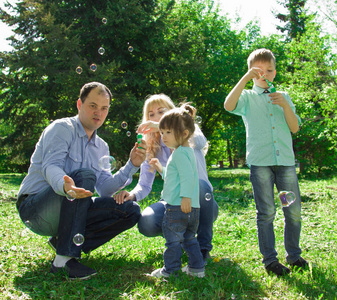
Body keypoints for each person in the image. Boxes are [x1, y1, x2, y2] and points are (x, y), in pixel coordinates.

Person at [16, 82, 147, 280]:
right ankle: (63, 261)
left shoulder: (102, 147)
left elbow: (104, 188)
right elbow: (50, 166)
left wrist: (132, 164)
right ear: (79, 104)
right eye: (92, 106)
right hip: (35, 208)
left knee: (130, 210)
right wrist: (64, 185)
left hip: (71, 212)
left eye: (104, 108)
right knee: (84, 175)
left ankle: (64, 242)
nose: (98, 113)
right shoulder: (61, 128)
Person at [224, 48, 308, 276]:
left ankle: (294, 255)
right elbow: (228, 105)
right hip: (260, 163)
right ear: (252, 73)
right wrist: (245, 78)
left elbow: (295, 127)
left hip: (285, 162)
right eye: (258, 71)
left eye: (269, 70)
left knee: (293, 212)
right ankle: (270, 260)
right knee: (267, 212)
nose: (265, 75)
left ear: (275, 72)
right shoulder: (247, 98)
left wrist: (285, 106)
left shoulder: (284, 97)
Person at [113, 94, 218, 261]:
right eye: (151, 115)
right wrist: (131, 195)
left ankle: (203, 249)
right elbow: (144, 185)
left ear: (173, 112)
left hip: (200, 202)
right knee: (147, 222)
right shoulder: (151, 147)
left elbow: (201, 141)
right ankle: (182, 241)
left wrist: (164, 126)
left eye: (161, 112)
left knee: (199, 186)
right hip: (173, 203)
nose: (156, 118)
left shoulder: (189, 134)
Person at [147, 104, 205, 278]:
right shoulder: (186, 152)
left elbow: (187, 178)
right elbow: (176, 178)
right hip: (192, 207)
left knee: (172, 240)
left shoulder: (179, 154)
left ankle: (170, 270)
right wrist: (160, 168)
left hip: (178, 206)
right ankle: (197, 269)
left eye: (168, 132)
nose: (163, 137)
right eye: (162, 132)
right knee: (189, 239)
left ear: (185, 134)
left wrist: (185, 197)